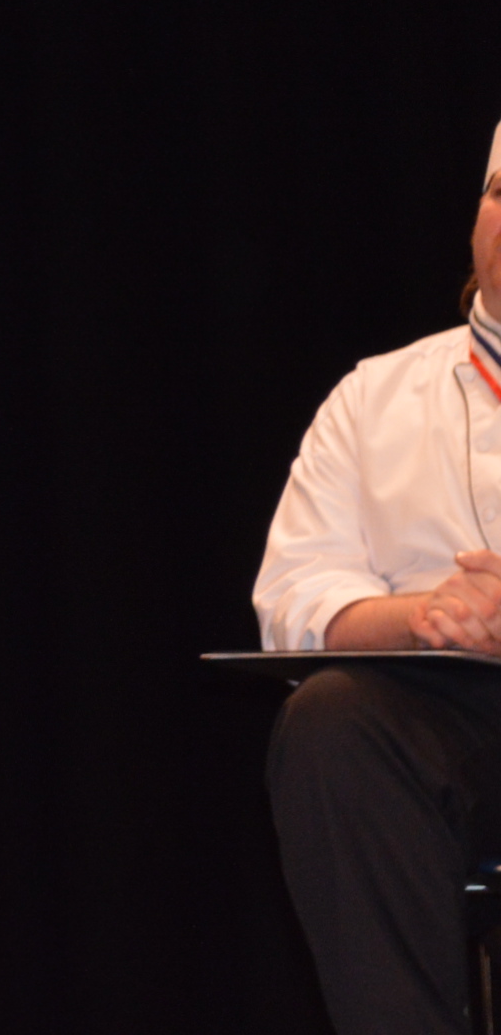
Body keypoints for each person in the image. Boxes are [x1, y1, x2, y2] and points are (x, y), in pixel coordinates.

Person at [258, 123, 501, 1035]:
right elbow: (292, 600)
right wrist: (430, 615)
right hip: (456, 734)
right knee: (332, 720)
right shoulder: (373, 397)